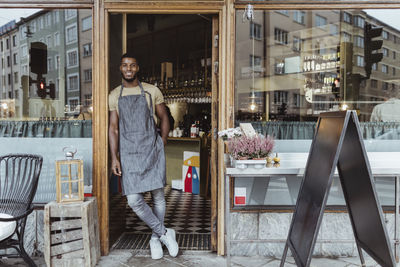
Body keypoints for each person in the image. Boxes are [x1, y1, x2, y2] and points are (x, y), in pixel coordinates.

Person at [108, 53, 178, 259]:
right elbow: (113, 129)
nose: (128, 69)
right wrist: (114, 157)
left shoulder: (151, 91)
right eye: (124, 65)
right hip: (129, 153)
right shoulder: (114, 95)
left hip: (151, 149)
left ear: (137, 68)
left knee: (157, 195)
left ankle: (155, 239)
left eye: (132, 65)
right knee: (134, 200)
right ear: (120, 69)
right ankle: (164, 233)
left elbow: (164, 117)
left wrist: (163, 140)